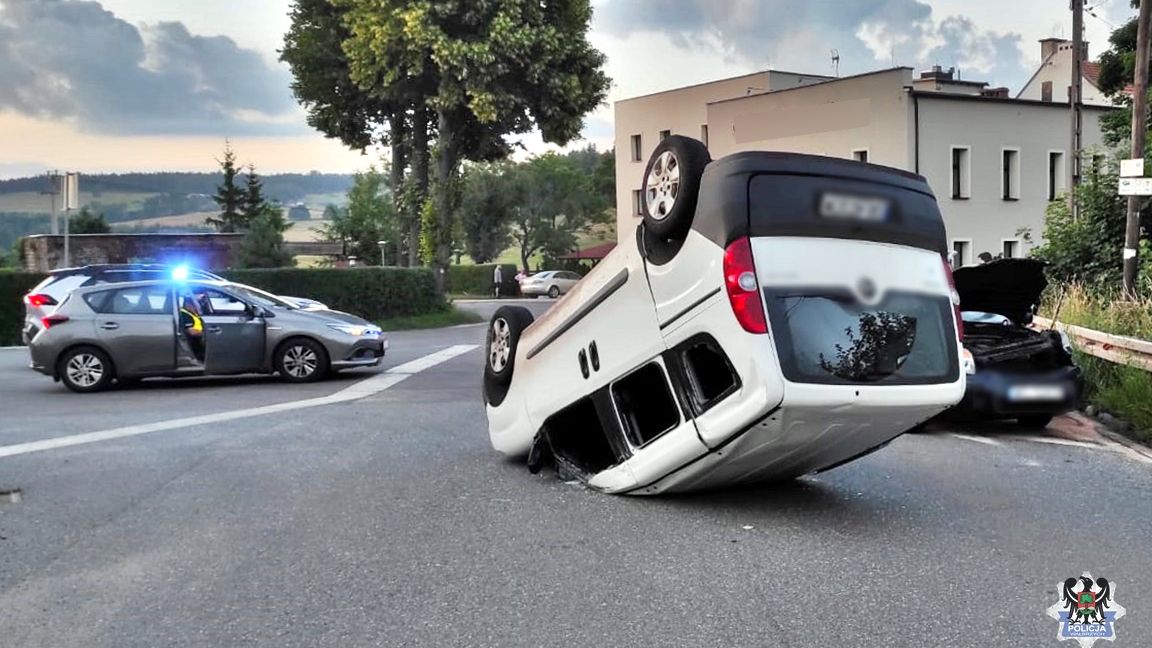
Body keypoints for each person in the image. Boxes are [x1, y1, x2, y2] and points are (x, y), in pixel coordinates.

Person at [179, 295, 205, 363]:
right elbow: (192, 332)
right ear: (188, 303)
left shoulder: (193, 313)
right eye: (198, 302)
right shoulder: (185, 314)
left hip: (199, 340)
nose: (201, 305)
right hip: (194, 342)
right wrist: (206, 333)